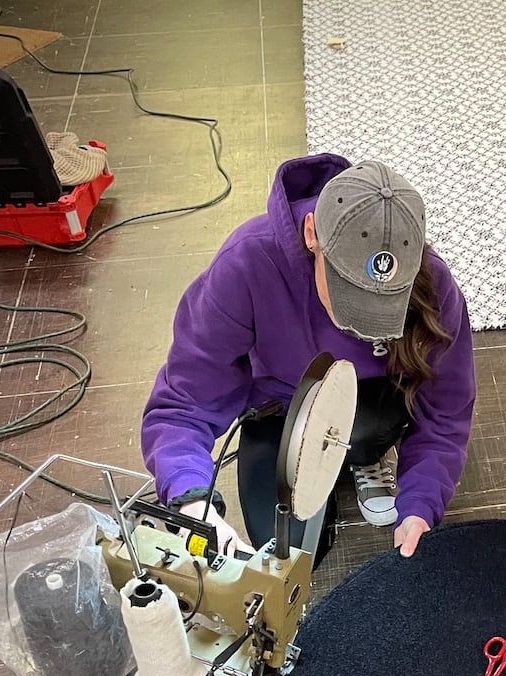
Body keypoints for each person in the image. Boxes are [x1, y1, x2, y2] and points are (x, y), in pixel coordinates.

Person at [142, 155, 477, 558]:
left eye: (385, 301)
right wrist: (194, 506)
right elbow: (183, 404)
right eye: (348, 292)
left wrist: (421, 505)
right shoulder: (245, 264)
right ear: (311, 234)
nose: (359, 324)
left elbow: (446, 413)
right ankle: (331, 468)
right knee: (285, 547)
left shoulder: (434, 281)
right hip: (282, 410)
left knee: (361, 434)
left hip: (371, 406)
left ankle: (365, 457)